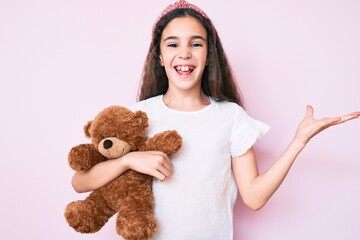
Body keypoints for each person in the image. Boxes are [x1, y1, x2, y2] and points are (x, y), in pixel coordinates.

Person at [71, 1, 360, 239]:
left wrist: (298, 142)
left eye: (196, 44)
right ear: (159, 56)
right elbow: (80, 182)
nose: (184, 53)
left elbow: (254, 198)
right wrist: (127, 161)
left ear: (209, 55)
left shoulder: (231, 117)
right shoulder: (138, 117)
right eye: (172, 45)